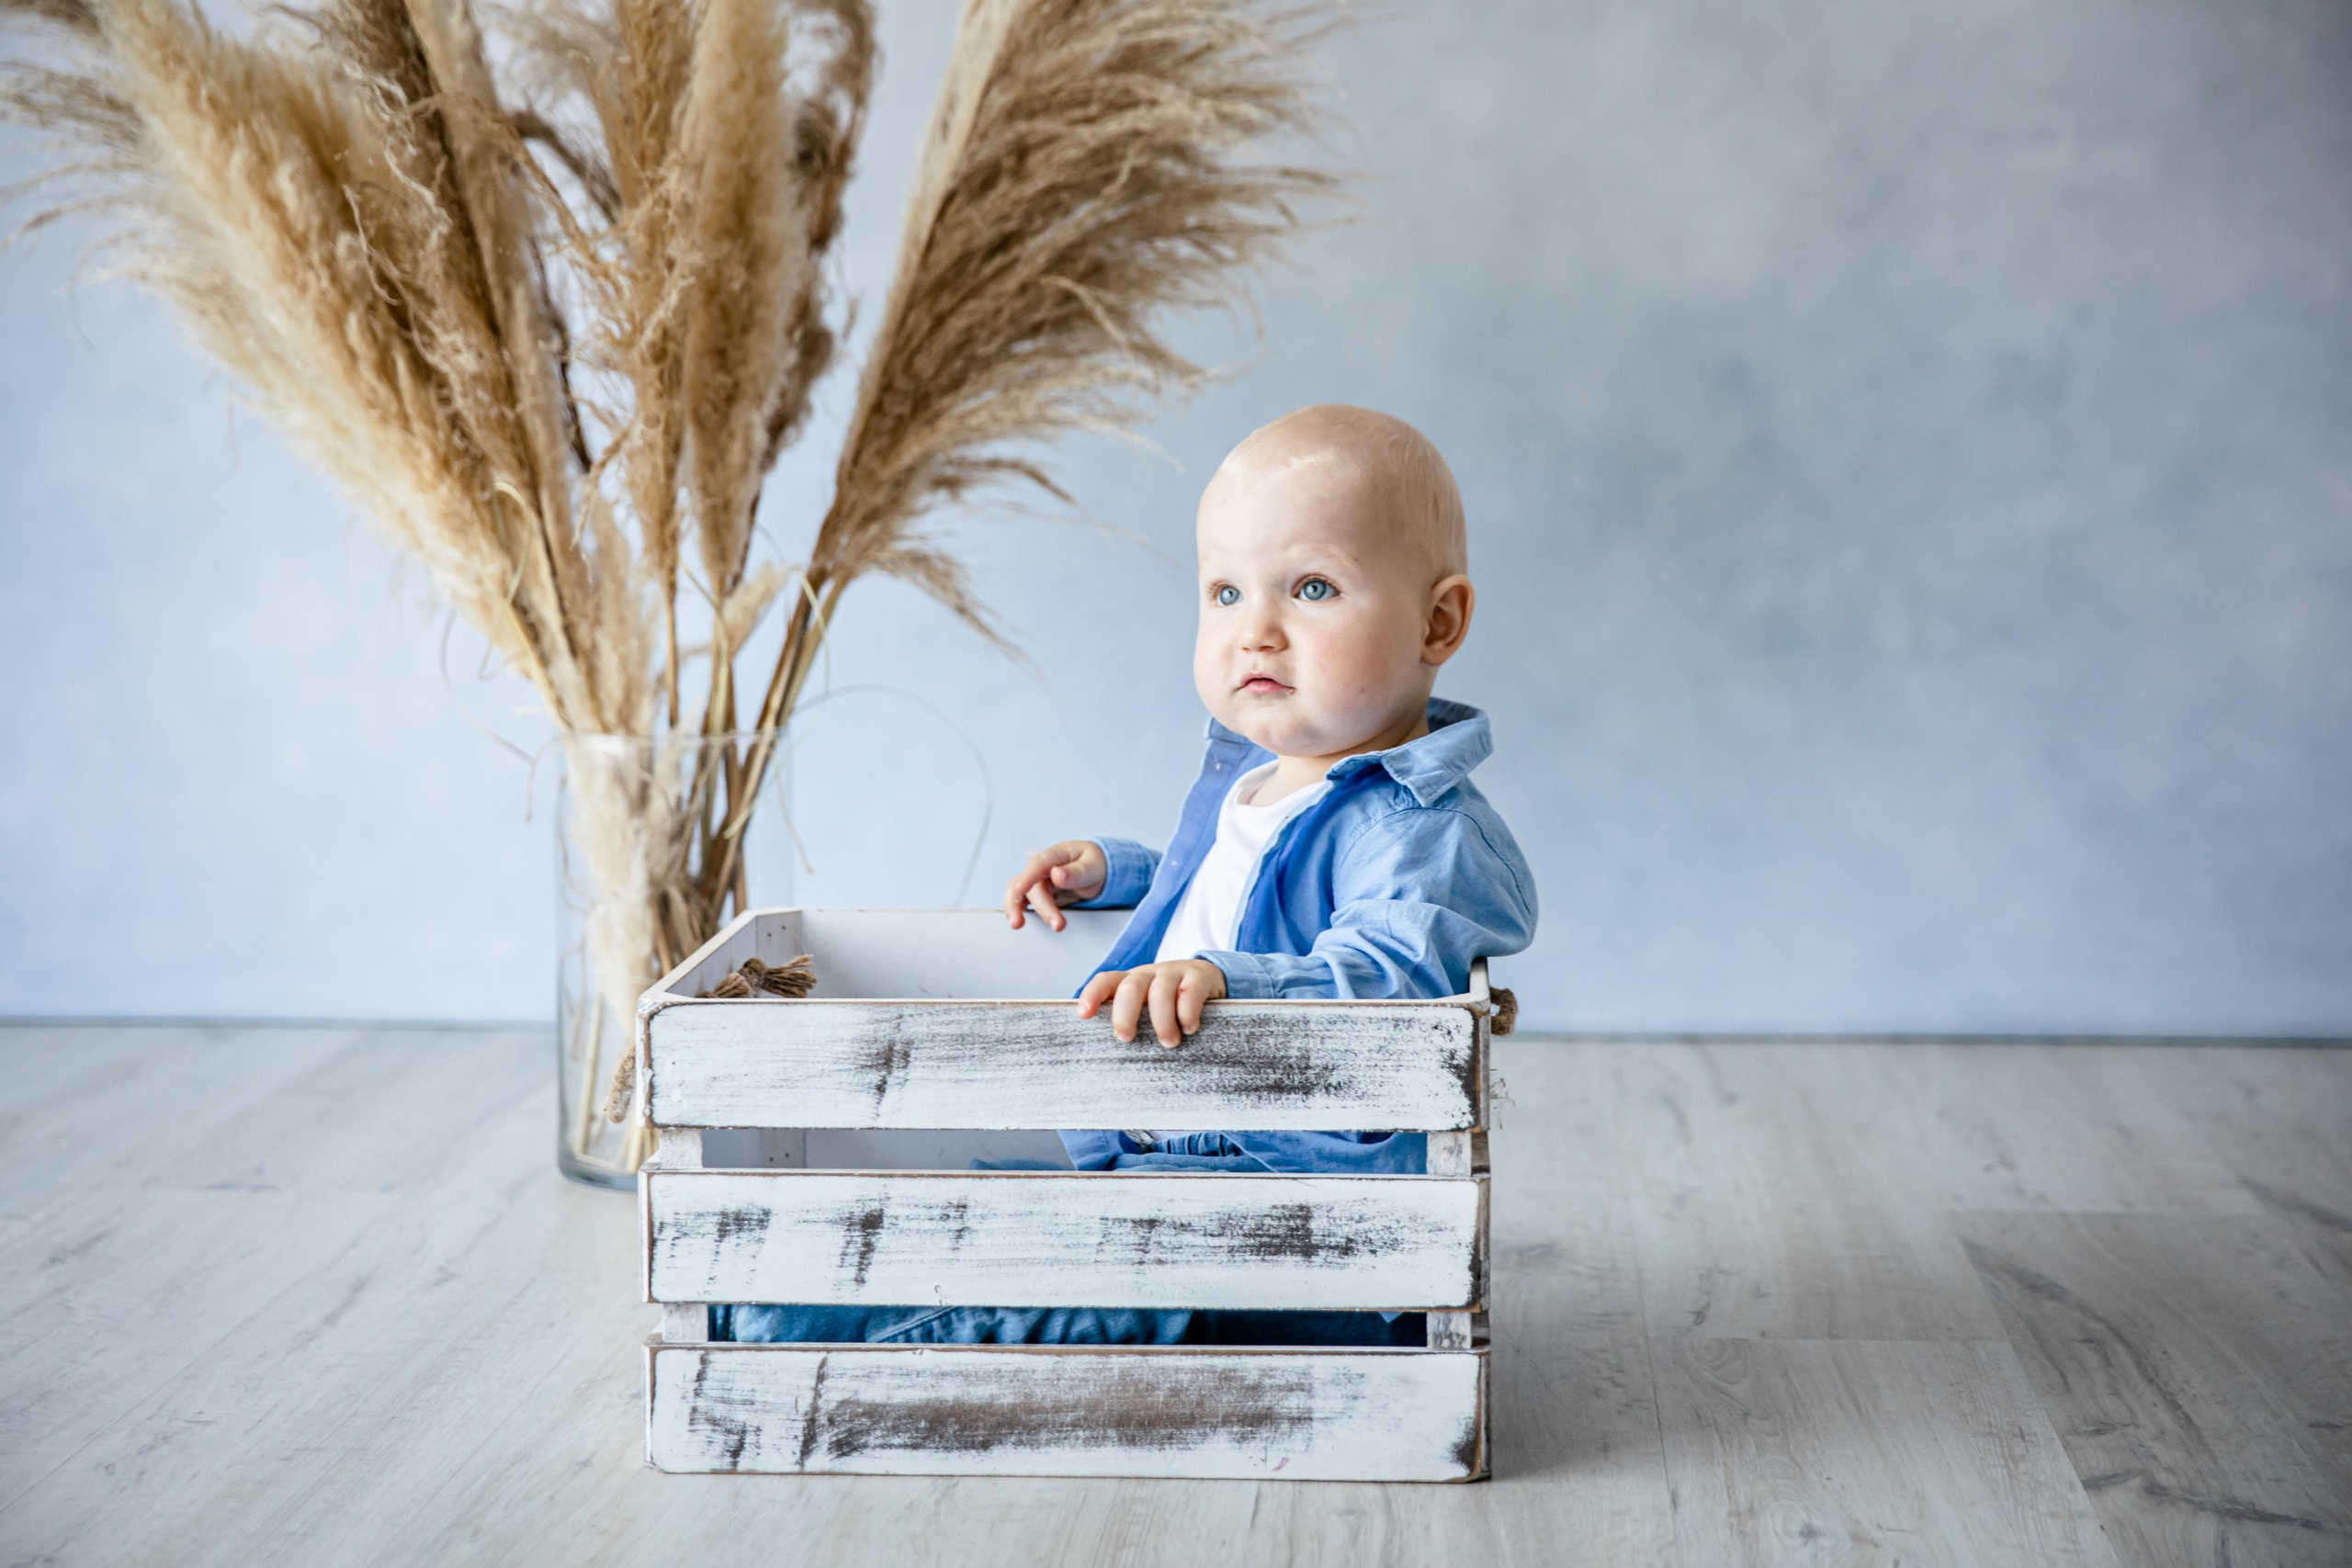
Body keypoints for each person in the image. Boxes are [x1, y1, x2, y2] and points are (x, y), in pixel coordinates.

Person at [710, 403, 1538, 1348]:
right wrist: (1121, 875)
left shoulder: (1415, 828)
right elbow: (1235, 891)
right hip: (1161, 1152)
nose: (1254, 631)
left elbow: (1392, 974)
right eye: (1225, 593)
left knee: (1049, 1291)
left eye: (1310, 588)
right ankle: (778, 1285)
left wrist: (1225, 980)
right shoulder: (1261, 777)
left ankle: (794, 1341)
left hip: (1286, 1208)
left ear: (1438, 621)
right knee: (987, 1213)